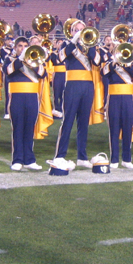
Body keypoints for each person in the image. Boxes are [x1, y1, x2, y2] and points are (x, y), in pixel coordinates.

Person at [52, 19, 105, 168]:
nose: (80, 32)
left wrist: (90, 46)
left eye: (82, 30)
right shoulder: (66, 44)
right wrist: (73, 42)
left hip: (88, 85)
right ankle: (60, 155)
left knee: (83, 123)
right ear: (72, 32)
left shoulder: (90, 45)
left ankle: (82, 156)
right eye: (77, 30)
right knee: (68, 121)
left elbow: (97, 61)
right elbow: (60, 58)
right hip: (72, 85)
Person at [4, 36, 52, 170]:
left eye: (25, 46)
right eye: (20, 46)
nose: (23, 48)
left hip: (32, 97)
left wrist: (31, 62)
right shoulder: (10, 60)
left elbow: (43, 74)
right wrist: (21, 59)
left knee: (29, 128)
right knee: (18, 128)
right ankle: (17, 159)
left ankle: (29, 159)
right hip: (16, 97)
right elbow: (7, 71)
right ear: (15, 48)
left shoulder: (35, 60)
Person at [103, 40, 133, 168]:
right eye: (118, 51)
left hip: (128, 98)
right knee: (114, 129)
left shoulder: (131, 64)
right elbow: (103, 73)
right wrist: (114, 63)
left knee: (128, 128)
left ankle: (127, 159)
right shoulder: (109, 64)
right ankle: (114, 159)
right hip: (113, 98)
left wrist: (127, 64)